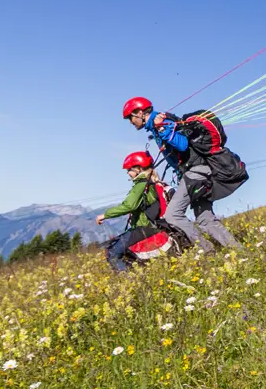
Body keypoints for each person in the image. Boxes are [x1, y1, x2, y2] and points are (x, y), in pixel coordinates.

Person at [122, 97, 238, 253]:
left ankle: (208, 252)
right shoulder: (157, 123)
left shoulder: (162, 122)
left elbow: (182, 145)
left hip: (196, 172)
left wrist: (162, 130)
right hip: (196, 172)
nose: (130, 122)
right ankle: (239, 251)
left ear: (140, 112)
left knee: (172, 215)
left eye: (130, 117)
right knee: (205, 219)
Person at [96, 151, 164, 272]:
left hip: (143, 227)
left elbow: (129, 206)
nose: (128, 173)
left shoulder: (141, 184)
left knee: (112, 253)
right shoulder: (150, 183)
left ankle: (130, 282)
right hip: (149, 226)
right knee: (127, 254)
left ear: (139, 168)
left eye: (129, 170)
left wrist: (105, 215)